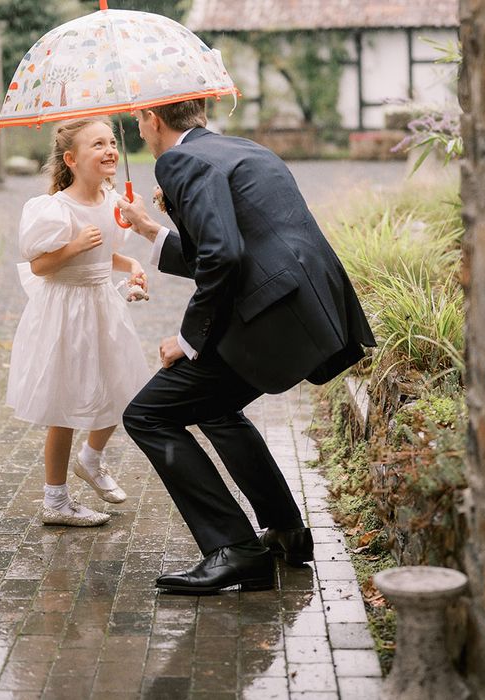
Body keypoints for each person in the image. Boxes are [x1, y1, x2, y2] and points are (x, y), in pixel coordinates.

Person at [117, 99, 376, 593]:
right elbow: (237, 244)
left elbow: (224, 256)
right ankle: (286, 530)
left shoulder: (179, 161)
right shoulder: (240, 150)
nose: (138, 129)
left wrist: (188, 340)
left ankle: (233, 549)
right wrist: (152, 227)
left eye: (138, 120)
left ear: (154, 120)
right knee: (215, 409)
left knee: (148, 415)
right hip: (305, 310)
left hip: (267, 316)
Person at [6, 117, 150, 527]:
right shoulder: (54, 209)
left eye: (111, 142)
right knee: (65, 406)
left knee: (120, 387)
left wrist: (134, 265)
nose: (109, 150)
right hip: (66, 312)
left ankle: (91, 459)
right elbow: (40, 266)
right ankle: (55, 501)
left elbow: (105, 256)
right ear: (71, 159)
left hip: (102, 305)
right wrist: (72, 245)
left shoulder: (111, 201)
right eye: (97, 145)